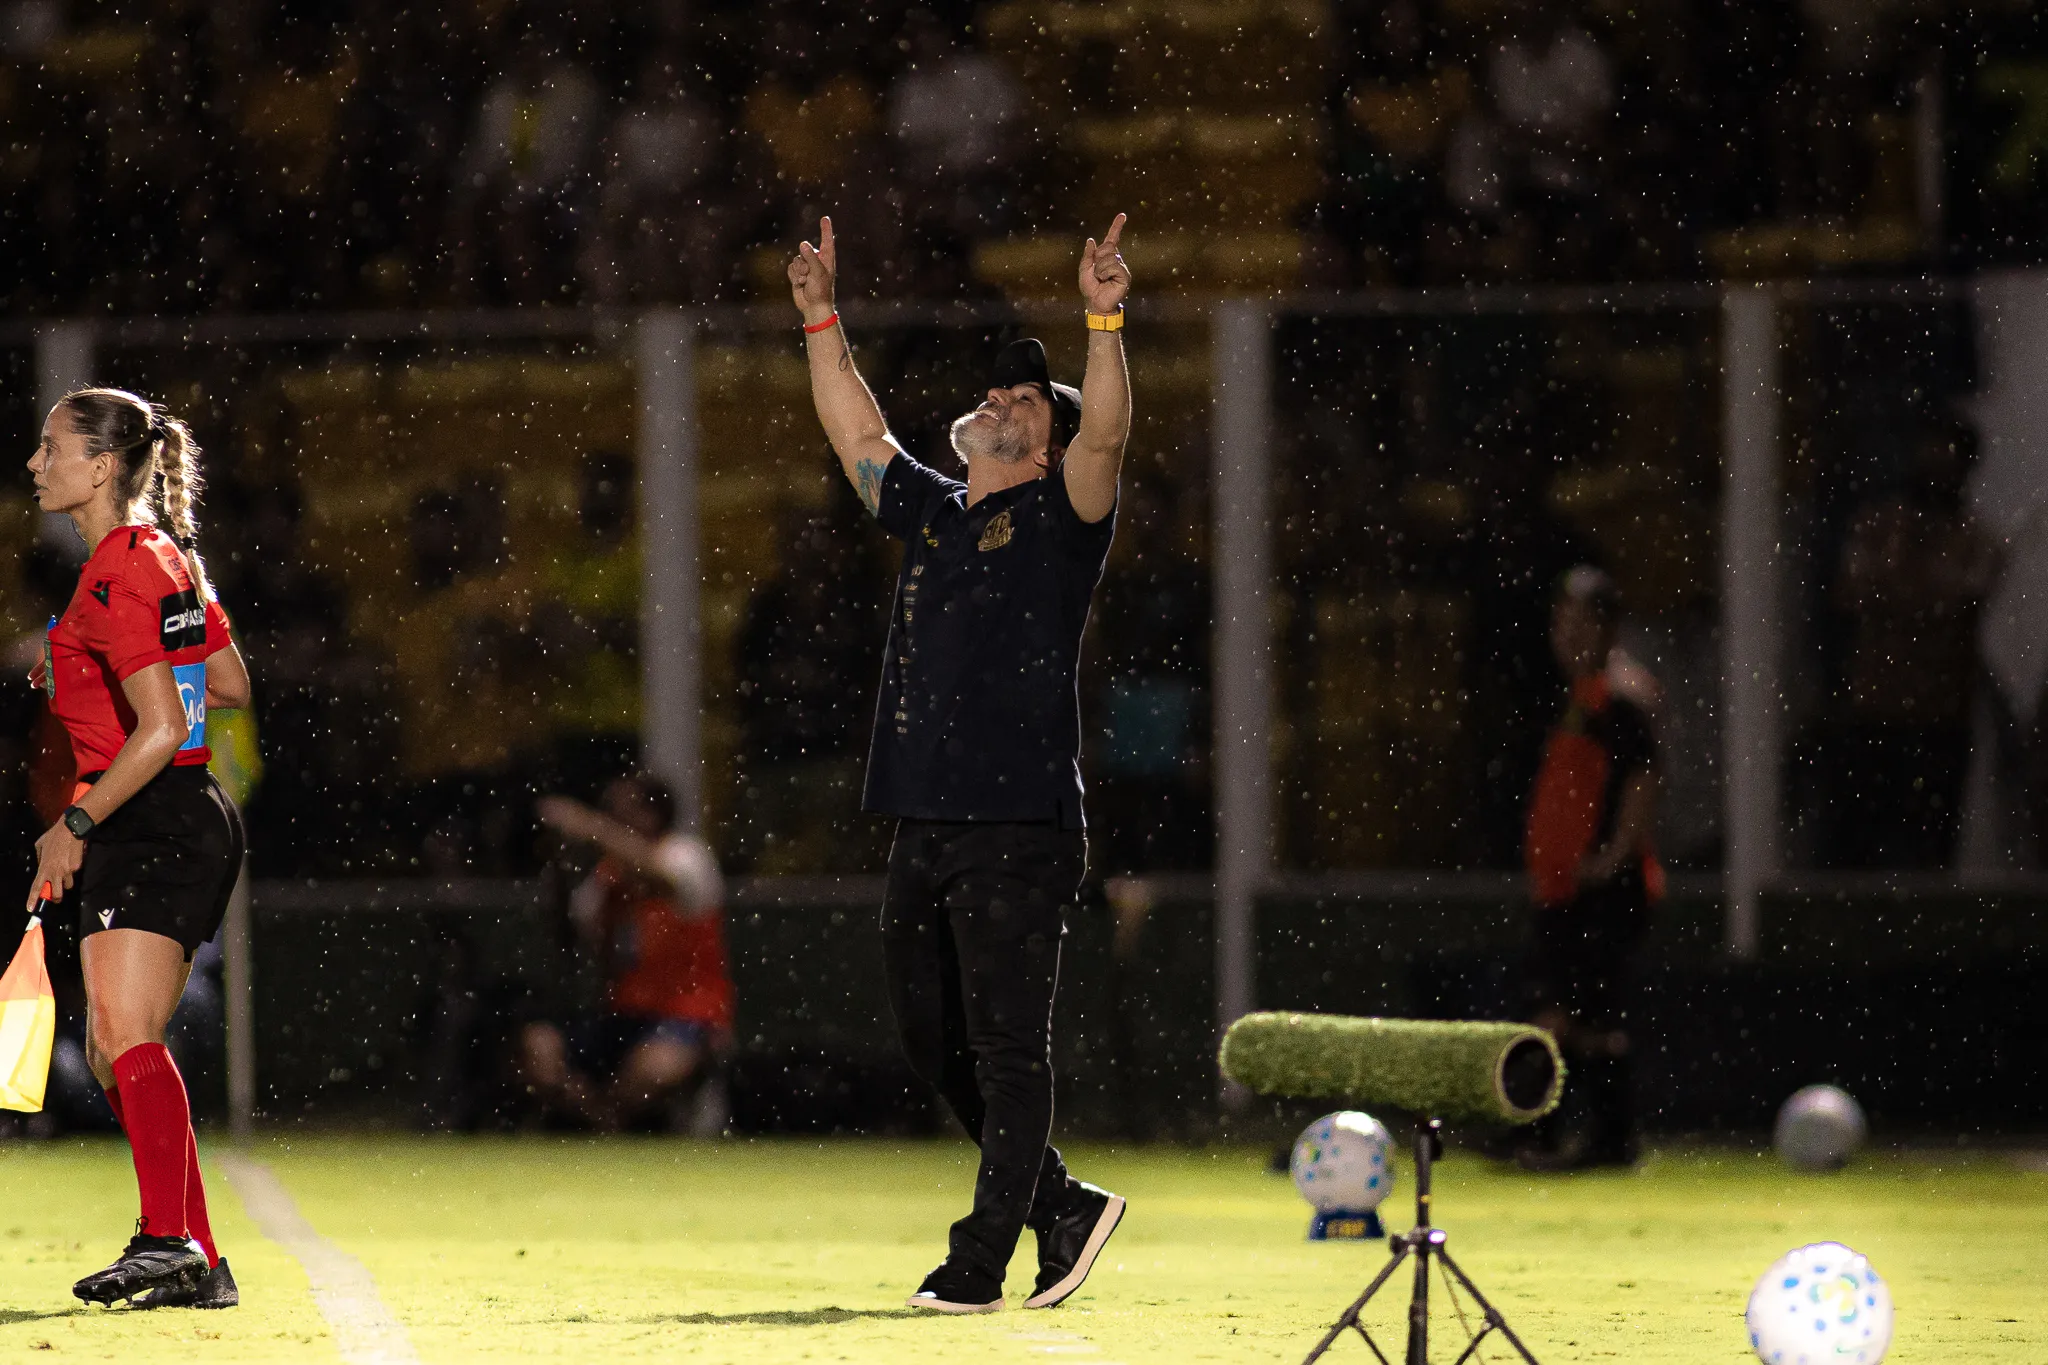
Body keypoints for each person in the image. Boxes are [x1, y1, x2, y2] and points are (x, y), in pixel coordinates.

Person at [786, 211, 1132, 1313]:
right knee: (935, 1043)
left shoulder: (1060, 513)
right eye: (998, 391)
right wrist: (818, 317)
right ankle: (1064, 1203)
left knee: (1006, 1048)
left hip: (1018, 825)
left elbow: (1110, 438)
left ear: (1041, 446)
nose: (997, 397)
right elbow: (856, 434)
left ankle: (979, 1263)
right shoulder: (937, 513)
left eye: (1022, 401)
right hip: (924, 820)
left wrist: (1104, 318)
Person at [26, 388, 250, 1308]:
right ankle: (191, 1251)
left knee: (123, 1038)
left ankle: (170, 1241)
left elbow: (159, 728)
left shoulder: (121, 566)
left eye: (51, 447)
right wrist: (82, 660)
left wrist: (70, 827)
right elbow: (228, 681)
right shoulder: (163, 556)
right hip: (177, 812)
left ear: (102, 465)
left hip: (146, 816)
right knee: (117, 1043)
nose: (37, 464)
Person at [1519, 565, 1660, 1170]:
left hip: (1605, 889)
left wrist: (1612, 855)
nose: (1568, 635)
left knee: (1580, 1015)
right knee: (1570, 1014)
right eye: (1562, 622)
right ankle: (1574, 1135)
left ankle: (1588, 1137)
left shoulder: (1621, 695)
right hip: (1567, 889)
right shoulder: (1577, 696)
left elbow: (1641, 779)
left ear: (1609, 627)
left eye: (1582, 622)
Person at [524, 774, 732, 1131]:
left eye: (620, 809)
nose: (612, 817)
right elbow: (573, 936)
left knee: (653, 1070)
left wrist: (589, 826)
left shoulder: (685, 854)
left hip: (687, 1014)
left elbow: (662, 878)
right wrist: (559, 863)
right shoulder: (605, 877)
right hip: (622, 1014)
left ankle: (605, 1121)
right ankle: (596, 1119)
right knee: (538, 1046)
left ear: (652, 815)